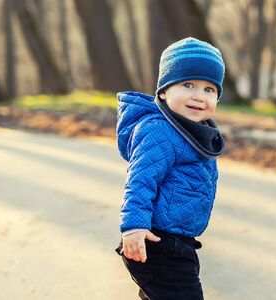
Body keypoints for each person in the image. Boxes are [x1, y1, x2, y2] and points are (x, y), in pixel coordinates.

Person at [115, 37, 225, 300]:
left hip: (181, 244)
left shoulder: (195, 132)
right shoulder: (159, 131)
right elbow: (140, 181)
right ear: (163, 91)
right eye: (188, 85)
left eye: (209, 89)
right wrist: (133, 227)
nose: (199, 96)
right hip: (155, 244)